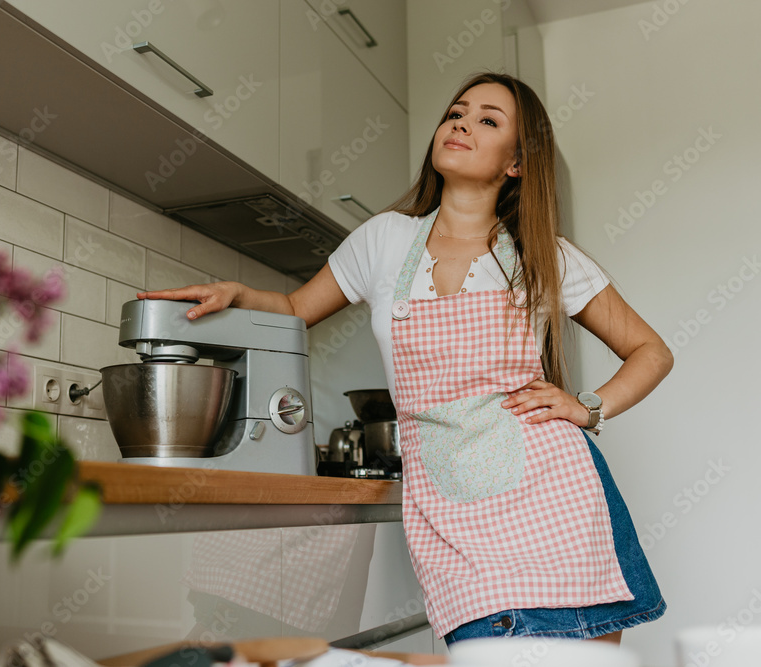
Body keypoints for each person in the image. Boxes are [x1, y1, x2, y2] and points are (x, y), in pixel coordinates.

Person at [137, 71, 673, 645]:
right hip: (448, 511)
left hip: (556, 499)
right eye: (456, 112)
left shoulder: (546, 256)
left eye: (487, 120)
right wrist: (240, 296)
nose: (462, 122)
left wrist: (587, 406)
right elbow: (295, 306)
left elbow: (651, 351)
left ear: (516, 163)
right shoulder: (385, 240)